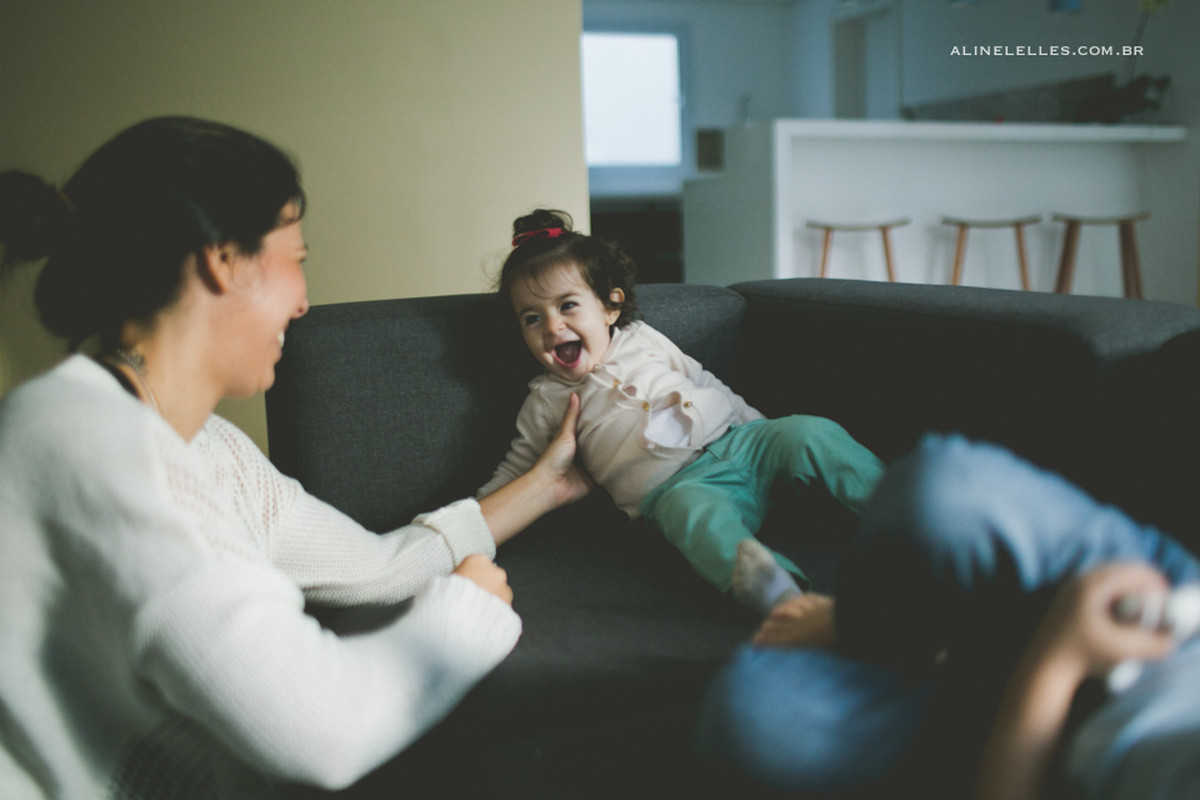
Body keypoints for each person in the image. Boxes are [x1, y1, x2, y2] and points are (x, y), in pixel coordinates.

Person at [0, 117, 589, 800]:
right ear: (222, 260)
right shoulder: (81, 436)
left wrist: (546, 484)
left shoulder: (210, 448)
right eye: (297, 259)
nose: (304, 302)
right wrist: (467, 613)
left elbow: (379, 565)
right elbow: (324, 726)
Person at [697, 433, 1200, 799]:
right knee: (941, 486)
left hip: (1045, 749)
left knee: (747, 716)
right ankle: (875, 626)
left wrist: (1060, 657)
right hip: (1163, 605)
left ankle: (928, 641)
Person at [478, 208, 885, 615]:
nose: (552, 326)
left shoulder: (642, 339)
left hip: (741, 442)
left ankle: (897, 511)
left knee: (808, 432)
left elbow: (703, 380)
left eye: (567, 305)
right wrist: (474, 524)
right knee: (695, 520)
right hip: (678, 489)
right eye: (532, 318)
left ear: (610, 306)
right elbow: (519, 471)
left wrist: (762, 429)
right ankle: (781, 597)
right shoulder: (546, 399)